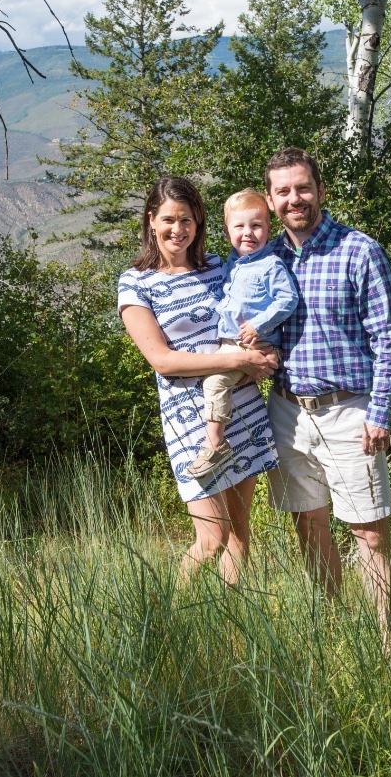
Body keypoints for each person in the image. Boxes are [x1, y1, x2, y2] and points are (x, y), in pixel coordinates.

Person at [263, 147, 391, 645]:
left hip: (350, 411)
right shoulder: (267, 259)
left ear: (321, 191)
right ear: (270, 200)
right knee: (308, 524)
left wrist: (381, 411)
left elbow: (389, 338)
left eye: (302, 188)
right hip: (287, 411)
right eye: (283, 191)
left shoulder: (359, 251)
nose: (294, 199)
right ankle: (335, 636)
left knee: (369, 531)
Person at [117, 176, 281, 584]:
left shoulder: (217, 267)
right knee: (211, 537)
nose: (178, 229)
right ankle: (172, 622)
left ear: (199, 222)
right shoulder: (136, 282)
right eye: (169, 219)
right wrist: (239, 357)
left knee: (241, 535)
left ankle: (229, 632)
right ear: (151, 220)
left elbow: (248, 314)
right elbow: (162, 360)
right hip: (189, 419)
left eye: (187, 219)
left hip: (240, 407)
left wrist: (264, 346)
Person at [187, 189, 299, 479]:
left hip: (253, 343)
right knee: (216, 382)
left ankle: (215, 445)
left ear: (268, 229)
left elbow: (287, 300)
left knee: (215, 381)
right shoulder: (231, 263)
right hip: (232, 343)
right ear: (227, 231)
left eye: (256, 225)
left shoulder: (270, 264)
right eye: (239, 226)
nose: (248, 233)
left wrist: (258, 325)